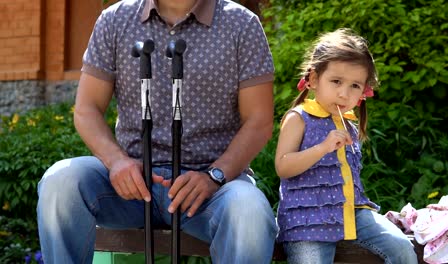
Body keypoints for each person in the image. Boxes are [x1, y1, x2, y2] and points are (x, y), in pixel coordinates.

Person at [36, 0, 278, 263]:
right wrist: (117, 162)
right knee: (60, 182)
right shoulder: (115, 19)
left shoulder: (242, 24)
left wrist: (215, 176)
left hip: (211, 190)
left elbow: (259, 121)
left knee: (250, 211)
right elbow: (86, 109)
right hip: (130, 186)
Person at [274, 28, 418, 264]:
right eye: (336, 81)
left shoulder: (348, 121)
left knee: (402, 248)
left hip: (352, 213)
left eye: (355, 86)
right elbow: (282, 166)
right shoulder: (299, 118)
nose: (344, 94)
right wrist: (322, 147)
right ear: (313, 79)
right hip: (308, 220)